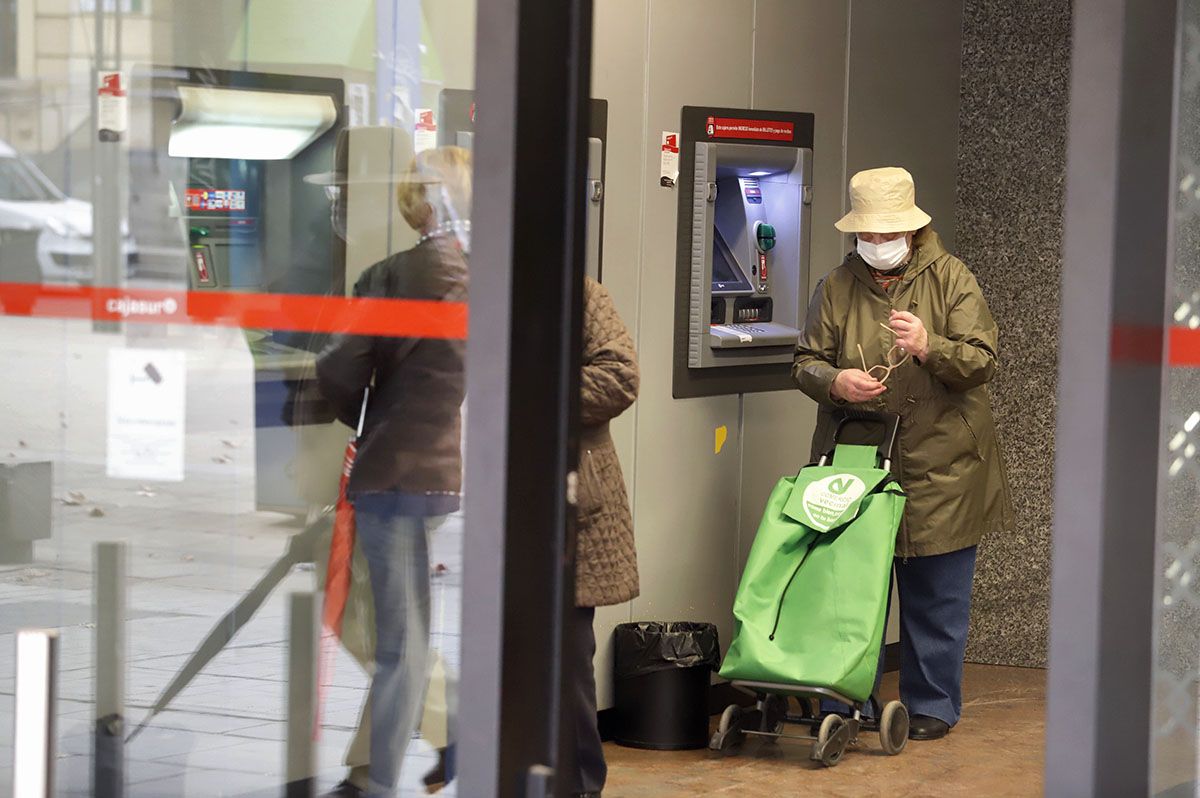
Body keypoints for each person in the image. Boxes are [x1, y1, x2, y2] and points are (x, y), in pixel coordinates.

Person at [793, 166, 1013, 741]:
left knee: (937, 597)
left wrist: (928, 345)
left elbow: (982, 360)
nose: (878, 244)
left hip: (942, 464)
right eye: (869, 234)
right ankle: (846, 700)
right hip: (857, 461)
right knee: (851, 591)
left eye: (889, 234)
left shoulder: (952, 279)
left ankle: (932, 705)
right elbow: (804, 361)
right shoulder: (836, 286)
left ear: (913, 232)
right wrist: (834, 381)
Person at [316, 144, 472, 797]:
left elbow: (338, 369)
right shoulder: (489, 278)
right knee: (398, 626)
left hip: (391, 474)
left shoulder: (388, 276)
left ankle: (378, 779)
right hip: (449, 473)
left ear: (418, 201)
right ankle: (439, 736)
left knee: (396, 640)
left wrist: (366, 411)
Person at [569, 277, 640, 798]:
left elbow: (620, 376)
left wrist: (532, 395)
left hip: (568, 503)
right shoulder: (456, 287)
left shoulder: (578, 293)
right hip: (471, 499)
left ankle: (579, 784)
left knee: (565, 659)